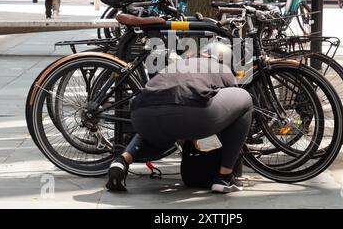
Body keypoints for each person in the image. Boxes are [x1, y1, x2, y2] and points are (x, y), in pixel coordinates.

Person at [105, 55, 253, 194]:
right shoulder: (219, 67)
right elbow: (232, 113)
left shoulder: (175, 66)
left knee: (159, 113)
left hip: (141, 117)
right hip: (188, 113)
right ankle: (224, 178)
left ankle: (122, 161)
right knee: (245, 99)